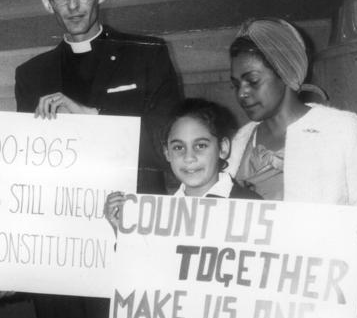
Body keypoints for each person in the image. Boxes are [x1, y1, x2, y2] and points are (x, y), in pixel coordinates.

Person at [226, 17, 357, 280]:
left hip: (321, 293)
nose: (242, 93)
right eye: (236, 84)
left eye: (252, 80)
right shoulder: (240, 141)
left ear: (284, 72)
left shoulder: (341, 129)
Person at [14, 0, 182, 196]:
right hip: (63, 220)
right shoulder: (30, 76)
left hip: (132, 216)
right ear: (47, 2)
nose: (73, 6)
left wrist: (93, 118)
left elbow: (169, 149)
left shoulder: (147, 54)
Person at [104, 98, 262, 233]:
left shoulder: (252, 207)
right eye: (178, 147)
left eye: (200, 145)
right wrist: (123, 234)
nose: (189, 157)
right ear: (167, 153)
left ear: (223, 148)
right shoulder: (158, 216)